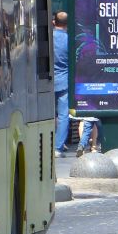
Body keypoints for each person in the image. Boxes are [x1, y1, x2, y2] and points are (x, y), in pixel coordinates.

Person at [52, 11, 69, 158]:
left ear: (53, 22)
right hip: (64, 81)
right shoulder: (68, 40)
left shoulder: (48, 38)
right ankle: (58, 147)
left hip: (47, 81)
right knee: (63, 115)